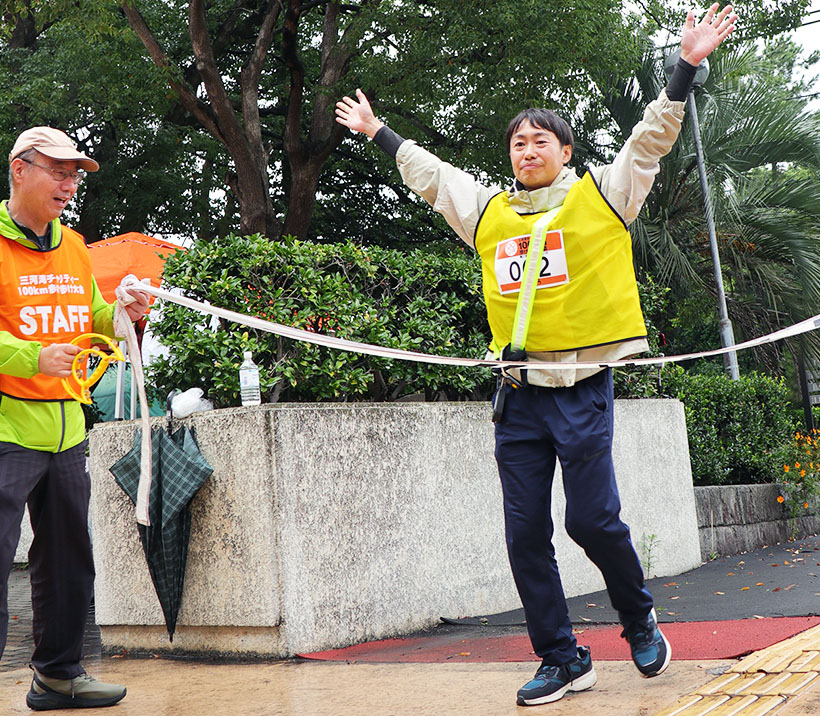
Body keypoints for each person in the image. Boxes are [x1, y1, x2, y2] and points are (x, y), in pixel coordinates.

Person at [336, 4, 737, 707]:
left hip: (581, 387)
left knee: (590, 522)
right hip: (517, 395)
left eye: (540, 141)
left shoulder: (604, 198)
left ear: (565, 151)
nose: (527, 150)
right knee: (524, 534)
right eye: (518, 142)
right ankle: (561, 656)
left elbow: (649, 142)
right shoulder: (488, 213)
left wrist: (686, 67)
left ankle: (638, 615)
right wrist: (379, 132)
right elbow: (432, 176)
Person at [0, 126, 149, 710]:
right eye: (58, 172)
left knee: (68, 562)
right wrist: (31, 356)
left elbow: (92, 313)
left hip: (66, 430)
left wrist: (122, 312)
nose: (68, 185)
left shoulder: (74, 245)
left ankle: (59, 676)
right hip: (8, 432)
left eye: (74, 175)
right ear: (19, 169)